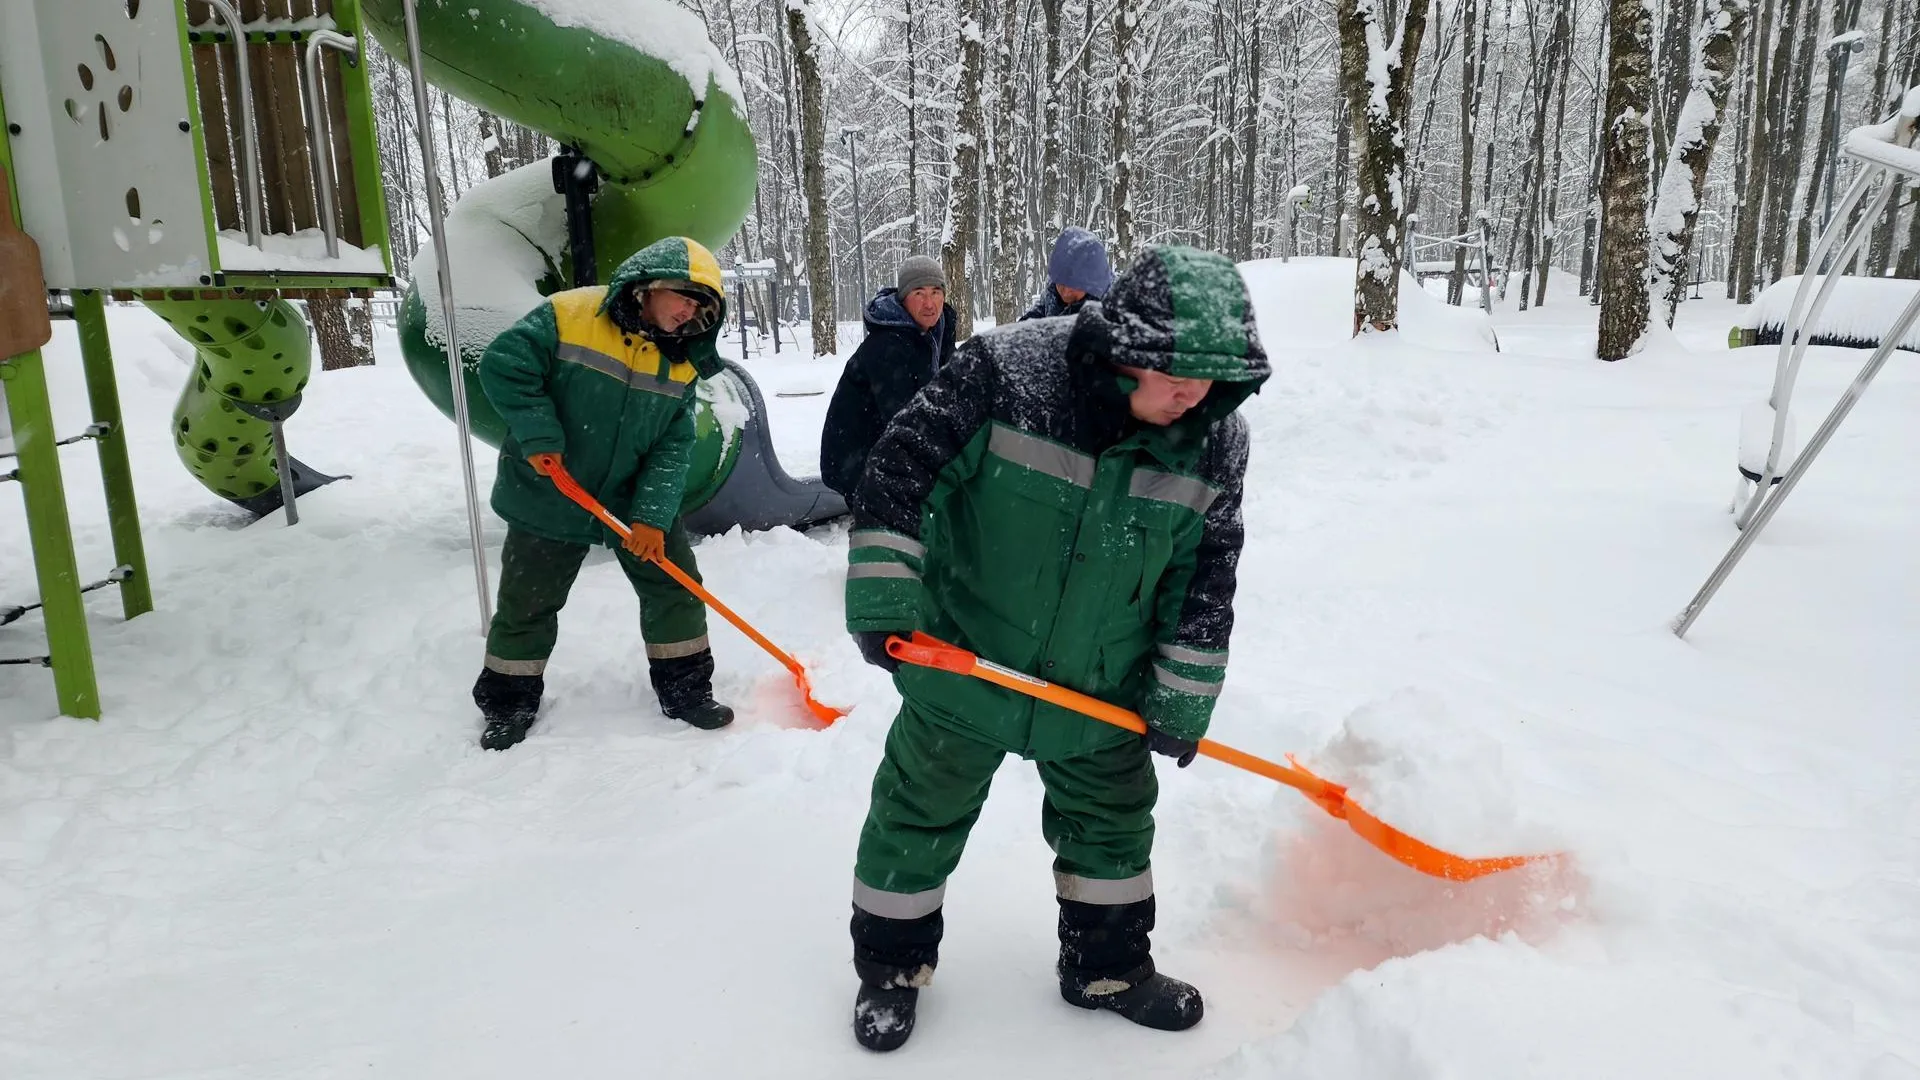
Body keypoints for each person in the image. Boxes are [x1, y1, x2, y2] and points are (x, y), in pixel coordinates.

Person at [839, 245, 1269, 1050]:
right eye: (1176, 374)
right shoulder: (1008, 373)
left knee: (1112, 825)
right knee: (916, 814)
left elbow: (1208, 571)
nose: (1194, 395)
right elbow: (901, 469)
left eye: (1212, 378)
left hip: (1100, 686)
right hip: (965, 658)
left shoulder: (1214, 440)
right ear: (1124, 350)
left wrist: (1181, 694)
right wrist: (885, 597)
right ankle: (891, 970)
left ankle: (1106, 969)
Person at [470, 236, 735, 751]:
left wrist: (653, 518)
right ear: (652, 285)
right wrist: (540, 436)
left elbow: (672, 446)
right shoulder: (570, 314)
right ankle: (508, 702)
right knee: (528, 600)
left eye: (701, 307)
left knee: (675, 587)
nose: (688, 313)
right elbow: (504, 366)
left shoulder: (680, 360)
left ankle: (685, 691)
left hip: (626, 494)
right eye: (684, 297)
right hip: (552, 488)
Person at [819, 255, 958, 500]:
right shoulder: (887, 346)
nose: (930, 303)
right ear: (903, 298)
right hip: (859, 461)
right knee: (894, 530)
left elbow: (955, 389)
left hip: (892, 455)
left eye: (936, 292)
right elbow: (904, 418)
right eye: (919, 293)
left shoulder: (936, 336)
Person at [1018, 226, 1115, 321]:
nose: (1065, 292)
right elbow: (1037, 314)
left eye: (1074, 286)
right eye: (1061, 284)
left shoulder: (1113, 308)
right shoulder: (1052, 293)